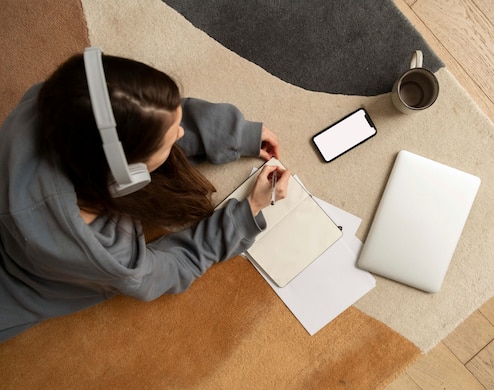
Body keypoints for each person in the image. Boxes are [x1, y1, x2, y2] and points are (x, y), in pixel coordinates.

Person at [0, 51, 290, 343]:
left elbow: (138, 120)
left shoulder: (53, 101)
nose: (180, 133)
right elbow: (171, 267)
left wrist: (233, 133)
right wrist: (249, 210)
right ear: (128, 174)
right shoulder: (106, 254)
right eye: (167, 140)